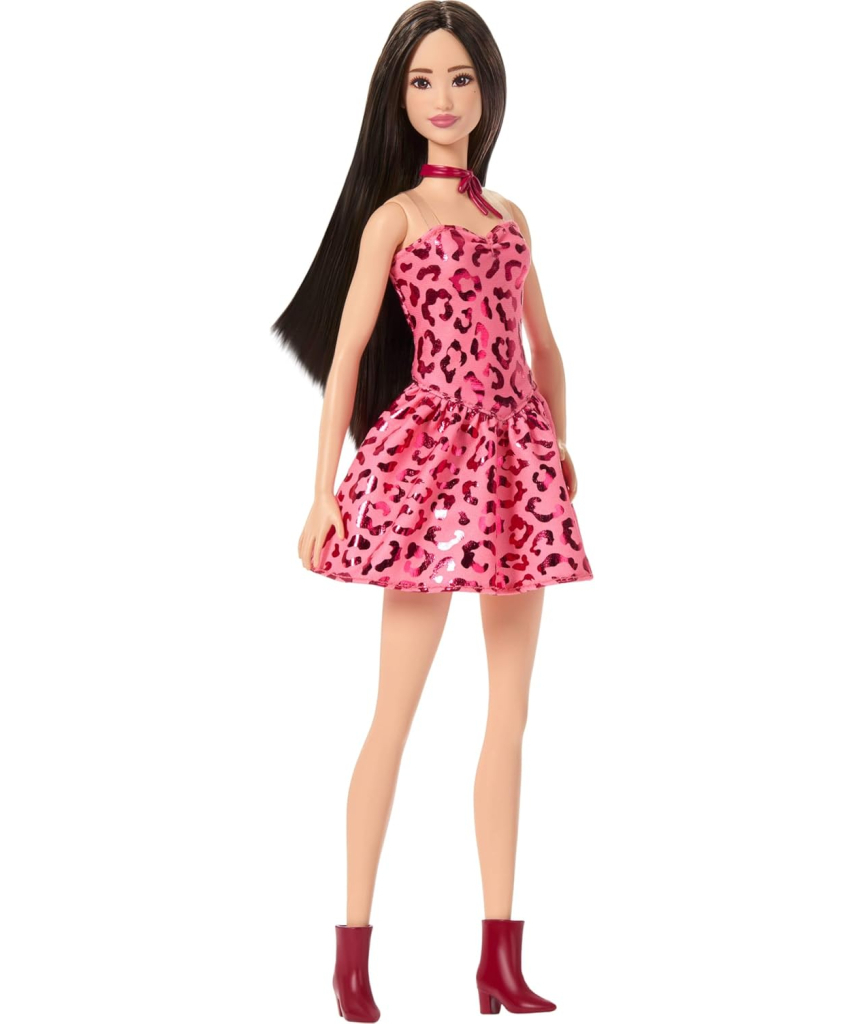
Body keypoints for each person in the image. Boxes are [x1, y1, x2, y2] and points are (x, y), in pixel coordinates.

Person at [272, 3, 593, 1018]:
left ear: (487, 89)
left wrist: (558, 443)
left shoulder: (512, 218)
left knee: (511, 715)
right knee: (395, 714)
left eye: (460, 78)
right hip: (431, 467)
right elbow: (347, 358)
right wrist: (321, 487)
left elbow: (545, 347)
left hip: (517, 469)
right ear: (398, 97)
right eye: (422, 81)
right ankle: (351, 956)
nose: (444, 98)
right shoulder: (396, 218)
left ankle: (499, 960)